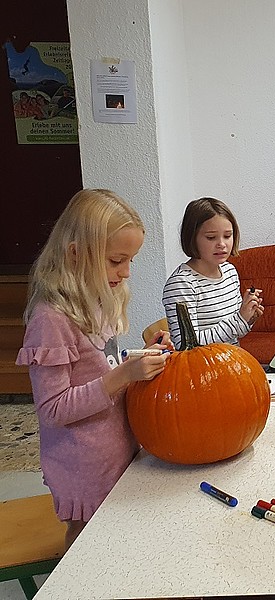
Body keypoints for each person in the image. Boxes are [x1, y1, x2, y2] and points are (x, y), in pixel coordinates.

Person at [16, 189, 172, 550]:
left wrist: (140, 357)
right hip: (82, 465)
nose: (127, 272)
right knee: (86, 546)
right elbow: (53, 409)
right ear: (75, 253)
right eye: (117, 260)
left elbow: (99, 367)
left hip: (116, 450)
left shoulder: (96, 299)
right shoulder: (50, 320)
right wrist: (123, 377)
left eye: (130, 260)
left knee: (115, 543)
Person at [162, 197, 263, 349]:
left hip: (233, 360)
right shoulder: (181, 284)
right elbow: (188, 346)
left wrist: (248, 318)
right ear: (192, 238)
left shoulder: (230, 272)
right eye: (211, 237)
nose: (222, 244)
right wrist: (239, 319)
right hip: (203, 369)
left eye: (228, 236)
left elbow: (235, 333)